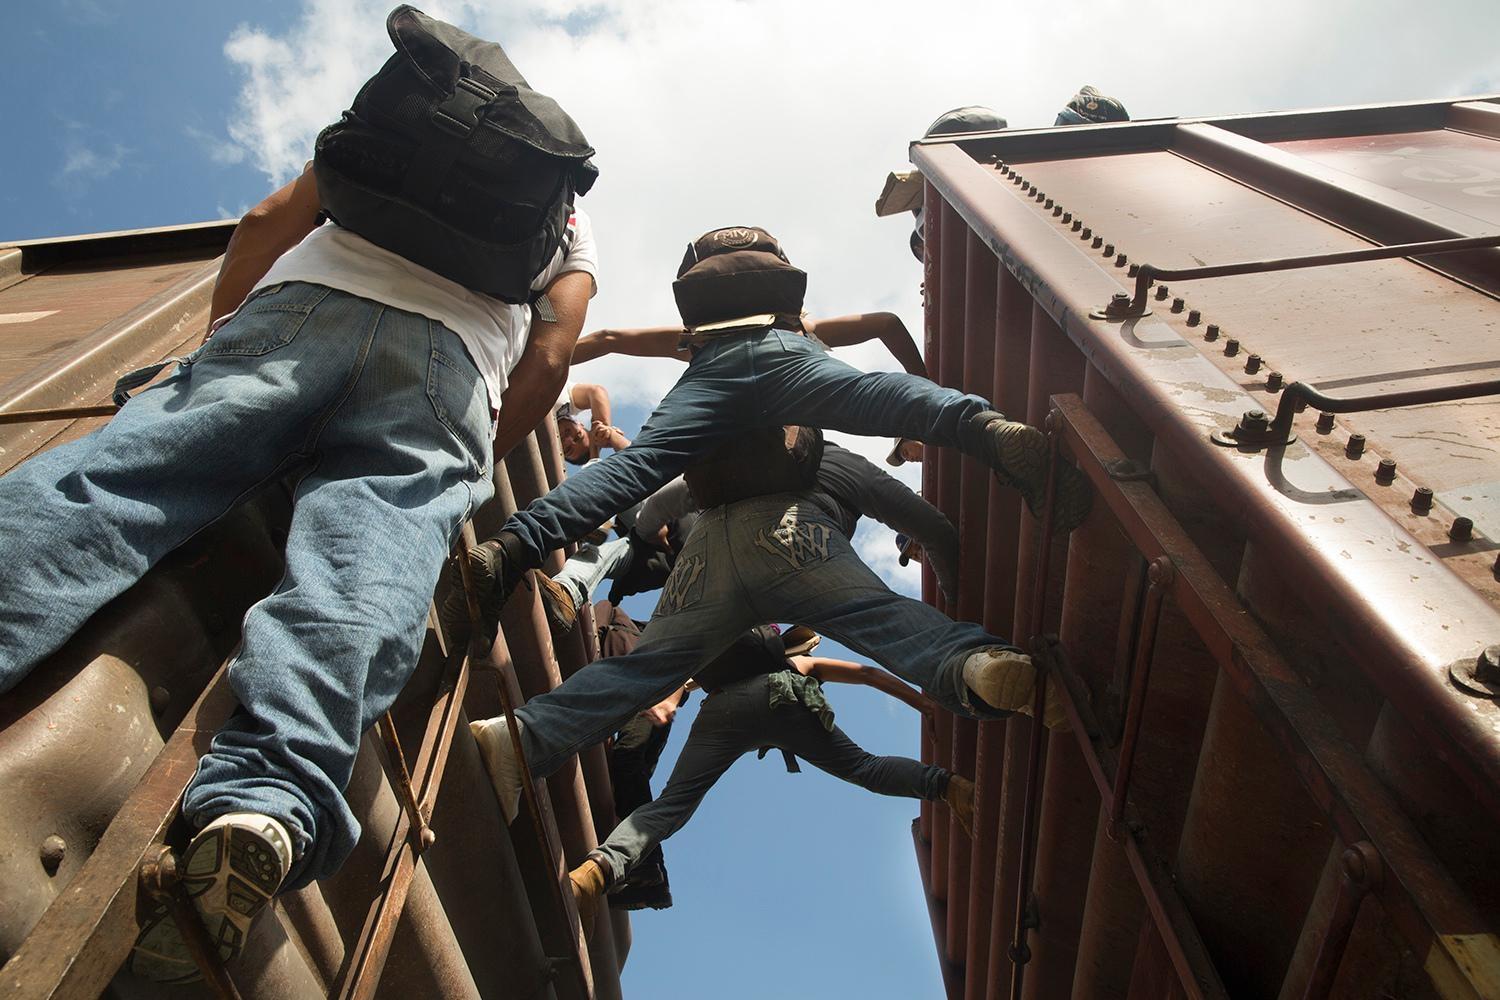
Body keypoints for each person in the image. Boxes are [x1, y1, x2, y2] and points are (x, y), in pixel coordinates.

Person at [0, 114, 597, 992]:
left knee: (110, 486)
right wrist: (472, 466)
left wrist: (220, 340)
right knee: (365, 577)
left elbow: (266, 222)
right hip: (448, 370)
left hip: (299, 312)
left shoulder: (399, 125)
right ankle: (262, 798)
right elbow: (553, 350)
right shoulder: (565, 219)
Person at [461, 225, 1092, 638]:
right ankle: (988, 430)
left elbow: (608, 338)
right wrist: (921, 392)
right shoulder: (801, 324)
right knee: (878, 398)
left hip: (712, 366)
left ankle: (508, 553)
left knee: (636, 465)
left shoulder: (693, 337)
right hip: (790, 351)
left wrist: (535, 360)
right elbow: (884, 322)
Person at [468, 424, 1067, 837]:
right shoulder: (841, 463)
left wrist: (649, 532)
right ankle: (979, 667)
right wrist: (957, 618)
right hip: (796, 541)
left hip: (705, 554)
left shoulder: (731, 458)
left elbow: (665, 501)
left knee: (639, 672)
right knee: (877, 616)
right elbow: (933, 529)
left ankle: (519, 740)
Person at [566, 626, 976, 924]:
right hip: (785, 697)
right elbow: (867, 674)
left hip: (723, 709)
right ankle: (948, 787)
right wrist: (920, 703)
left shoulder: (727, 649)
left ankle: (597, 870)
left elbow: (686, 681)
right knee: (862, 767)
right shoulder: (802, 661)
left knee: (672, 805)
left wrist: (669, 703)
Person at [532, 438, 960, 635]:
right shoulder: (719, 497)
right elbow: (666, 497)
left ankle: (578, 574)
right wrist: (651, 532)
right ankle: (572, 585)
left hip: (680, 558)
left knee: (624, 549)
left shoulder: (724, 517)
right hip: (653, 543)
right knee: (617, 546)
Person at [556, 381, 630, 464]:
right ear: (580, 425)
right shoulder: (570, 402)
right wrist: (605, 430)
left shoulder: (539, 436)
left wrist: (594, 456)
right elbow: (595, 392)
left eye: (567, 449)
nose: (568, 440)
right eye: (578, 436)